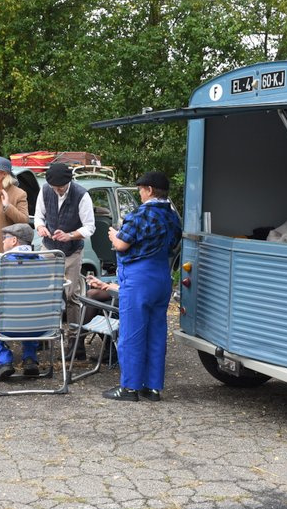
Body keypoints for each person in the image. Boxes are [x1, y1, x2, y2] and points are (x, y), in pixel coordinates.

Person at [102, 171, 181, 402]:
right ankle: (153, 388)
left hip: (139, 278)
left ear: (149, 190)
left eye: (140, 190)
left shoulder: (141, 214)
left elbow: (122, 244)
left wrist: (114, 235)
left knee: (132, 333)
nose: (140, 194)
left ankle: (129, 388)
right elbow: (174, 243)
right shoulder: (172, 216)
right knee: (156, 333)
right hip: (162, 276)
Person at [0, 223, 45, 380]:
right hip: (40, 325)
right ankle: (30, 358)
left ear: (14, 241)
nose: (3, 241)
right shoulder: (45, 263)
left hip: (8, 325)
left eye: (5, 238)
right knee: (30, 308)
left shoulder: (3, 264)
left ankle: (3, 360)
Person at [35, 162, 95, 334]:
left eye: (60, 188)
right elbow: (39, 215)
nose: (57, 190)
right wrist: (40, 227)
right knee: (44, 292)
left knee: (71, 295)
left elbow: (90, 227)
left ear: (68, 182)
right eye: (54, 187)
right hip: (49, 248)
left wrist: (70, 235)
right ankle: (44, 335)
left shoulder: (82, 195)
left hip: (72, 252)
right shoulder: (45, 190)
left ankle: (74, 339)